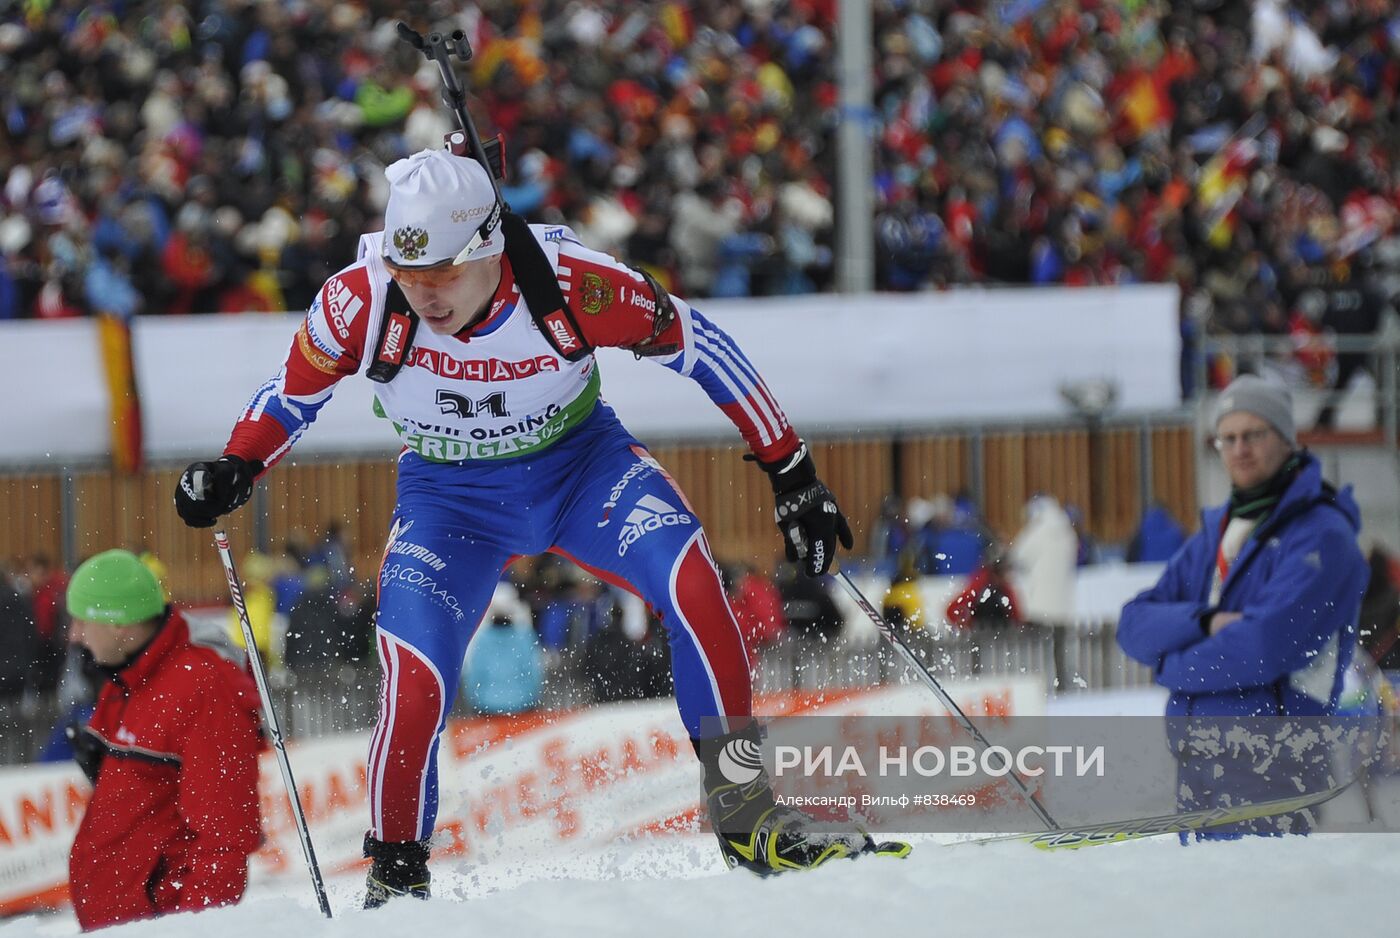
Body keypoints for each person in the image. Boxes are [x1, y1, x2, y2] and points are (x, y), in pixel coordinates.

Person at [173, 147, 904, 904]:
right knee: (413, 681)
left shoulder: (574, 285)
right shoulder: (360, 300)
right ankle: (395, 876)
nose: (424, 295)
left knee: (696, 588)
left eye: (443, 274)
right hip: (449, 501)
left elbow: (700, 344)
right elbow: (290, 395)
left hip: (582, 470)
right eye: (409, 275)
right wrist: (236, 465)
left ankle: (748, 816)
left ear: (488, 246)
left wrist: (792, 471)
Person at [1117, 375, 1368, 836]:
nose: (1239, 448)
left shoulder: (1322, 536)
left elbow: (1263, 647)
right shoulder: (1216, 533)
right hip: (1199, 767)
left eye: (1254, 434)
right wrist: (1209, 621)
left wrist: (1169, 665)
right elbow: (1132, 624)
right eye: (1227, 438)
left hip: (1275, 769)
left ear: (1287, 439)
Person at [64, 550, 263, 930]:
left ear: (118, 624)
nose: (74, 635)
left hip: (157, 924)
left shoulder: (204, 686)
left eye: (81, 621)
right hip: (119, 919)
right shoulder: (128, 677)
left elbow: (225, 834)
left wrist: (196, 928)